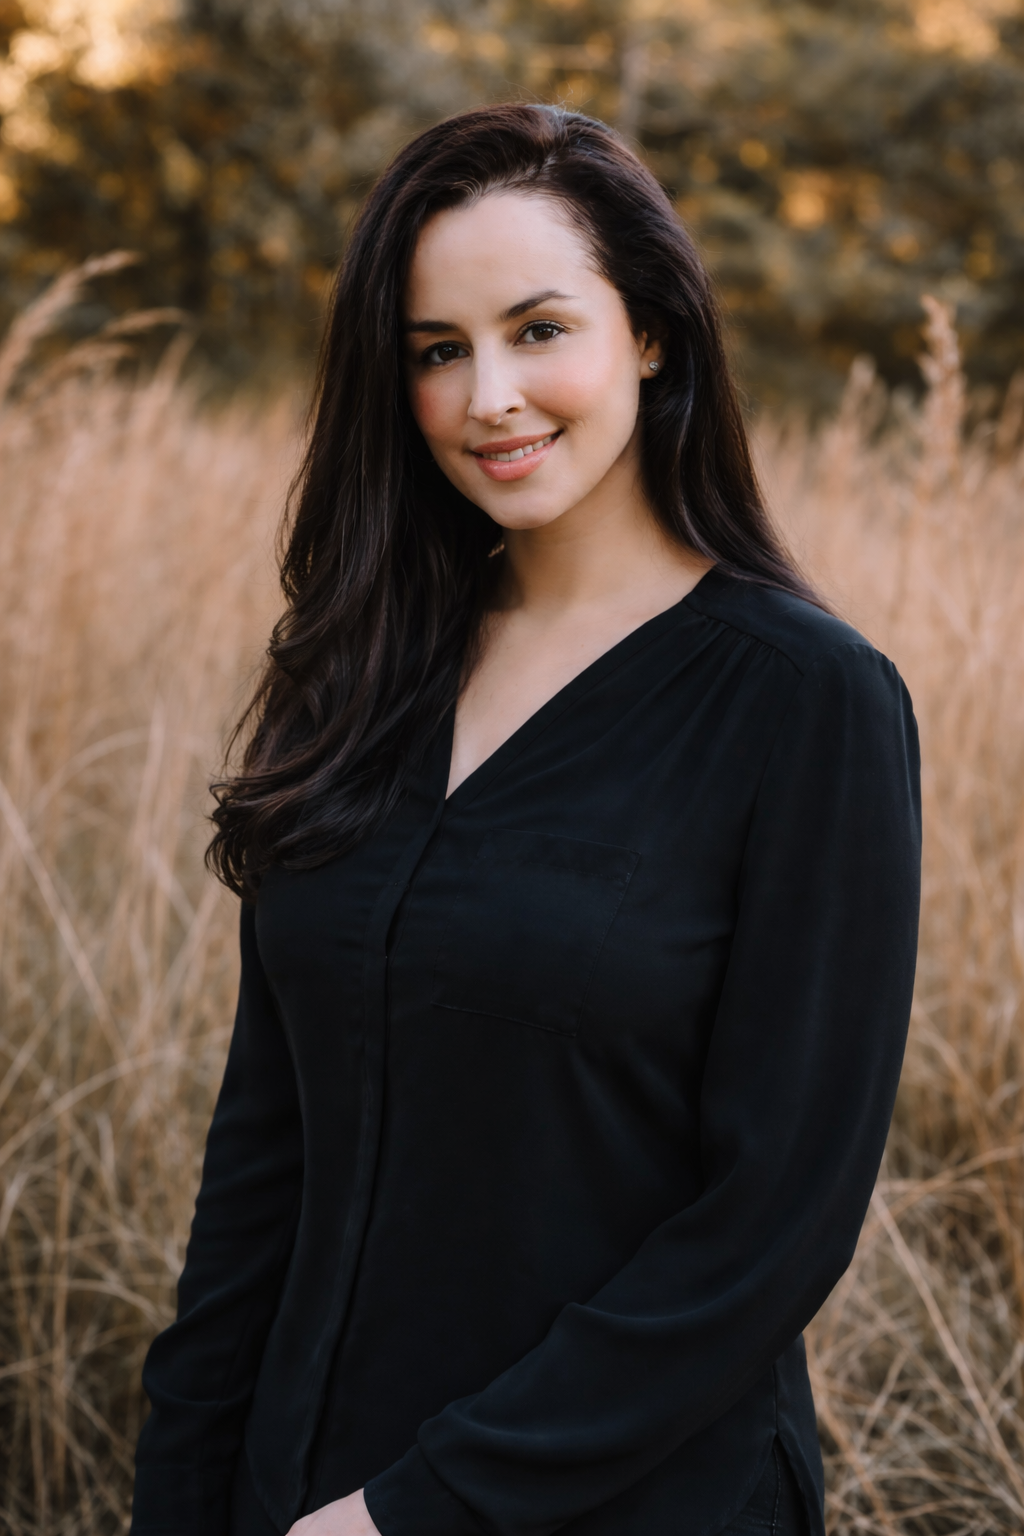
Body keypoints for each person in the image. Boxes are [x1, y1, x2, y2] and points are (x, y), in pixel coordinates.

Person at [130, 104, 921, 1536]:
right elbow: (264, 1156)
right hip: (295, 1490)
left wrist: (418, 1511)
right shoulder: (363, 668)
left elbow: (772, 1226)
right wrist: (183, 1489)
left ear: (656, 333)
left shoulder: (809, 703)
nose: (487, 394)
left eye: (539, 329)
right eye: (438, 351)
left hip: (625, 1502)